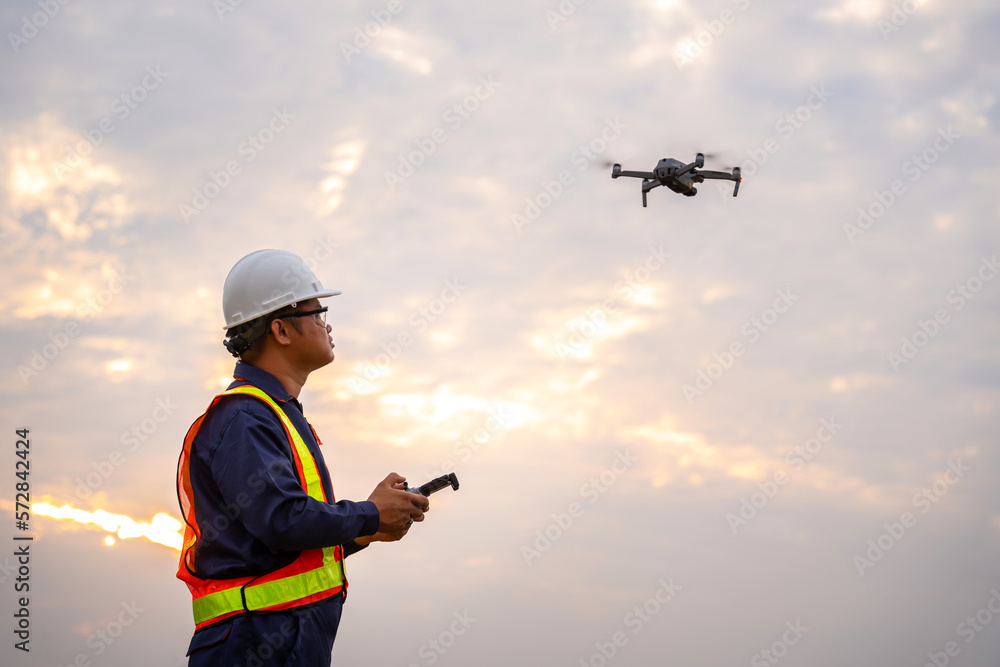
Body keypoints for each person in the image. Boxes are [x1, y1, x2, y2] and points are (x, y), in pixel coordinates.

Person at [176, 249, 430, 666]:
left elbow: (281, 551)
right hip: (251, 644)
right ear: (281, 329)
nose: (326, 324)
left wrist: (366, 529)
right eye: (317, 311)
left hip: (275, 640)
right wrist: (368, 513)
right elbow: (281, 519)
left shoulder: (273, 414)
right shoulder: (243, 417)